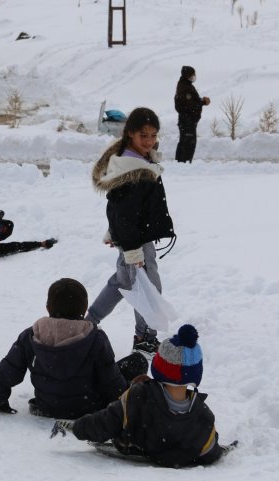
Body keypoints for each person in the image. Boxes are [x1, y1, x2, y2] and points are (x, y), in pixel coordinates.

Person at [50, 324, 232, 469]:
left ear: (159, 367)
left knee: (134, 392)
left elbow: (105, 423)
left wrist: (79, 427)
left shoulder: (139, 396)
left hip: (138, 445)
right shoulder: (203, 415)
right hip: (178, 451)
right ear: (195, 375)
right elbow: (209, 452)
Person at [0, 278, 149, 418]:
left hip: (46, 406)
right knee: (137, 361)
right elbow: (111, 383)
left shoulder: (31, 335)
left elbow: (7, 372)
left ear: (48, 307)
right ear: (85, 307)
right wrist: (121, 405)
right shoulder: (95, 338)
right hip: (88, 407)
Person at [85, 107, 176, 354]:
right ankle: (144, 336)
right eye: (143, 136)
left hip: (135, 236)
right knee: (145, 286)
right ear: (130, 135)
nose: (149, 141)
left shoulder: (136, 159)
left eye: (153, 135)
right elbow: (123, 213)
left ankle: (89, 323)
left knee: (125, 281)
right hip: (136, 240)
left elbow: (120, 209)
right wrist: (132, 250)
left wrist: (113, 232)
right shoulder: (131, 167)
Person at [174, 65, 210, 163]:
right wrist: (202, 102)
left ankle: (180, 163)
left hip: (187, 121)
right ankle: (183, 163)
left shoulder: (186, 84)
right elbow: (189, 105)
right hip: (187, 121)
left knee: (184, 143)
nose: (194, 76)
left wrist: (201, 101)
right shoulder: (184, 87)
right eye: (192, 75)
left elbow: (192, 102)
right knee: (188, 144)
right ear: (187, 75)